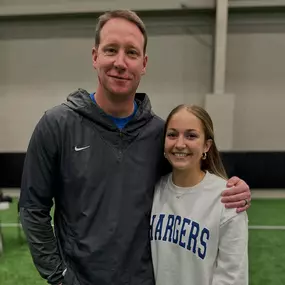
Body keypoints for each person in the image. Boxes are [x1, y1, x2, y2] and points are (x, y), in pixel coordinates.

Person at [19, 9, 250, 285]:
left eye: (131, 52)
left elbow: (190, 184)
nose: (120, 62)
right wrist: (59, 276)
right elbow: (33, 209)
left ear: (144, 63)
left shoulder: (160, 135)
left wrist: (235, 190)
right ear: (95, 56)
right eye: (110, 50)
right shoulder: (56, 125)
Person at [151, 104, 248, 285]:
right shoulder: (153, 190)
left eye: (191, 135)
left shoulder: (227, 199)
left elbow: (232, 277)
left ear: (206, 145)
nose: (180, 144)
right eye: (172, 134)